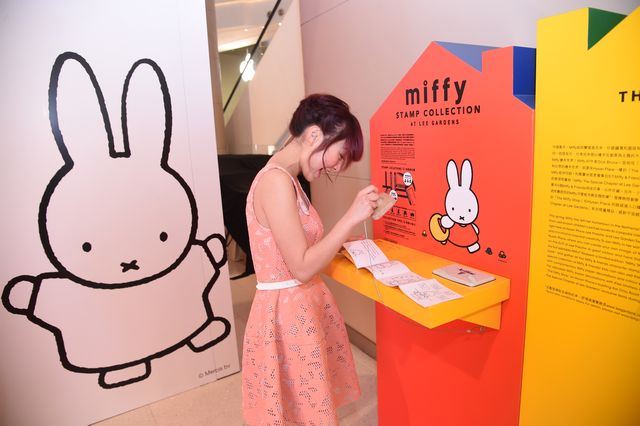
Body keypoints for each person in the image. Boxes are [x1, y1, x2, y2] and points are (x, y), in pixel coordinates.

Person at [242, 94, 379, 425]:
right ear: (315, 135)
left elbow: (298, 250)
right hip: (286, 317)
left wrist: (343, 244)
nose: (338, 167)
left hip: (300, 312)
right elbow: (301, 267)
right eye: (340, 155)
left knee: (307, 410)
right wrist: (351, 217)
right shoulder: (275, 181)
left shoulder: (288, 180)